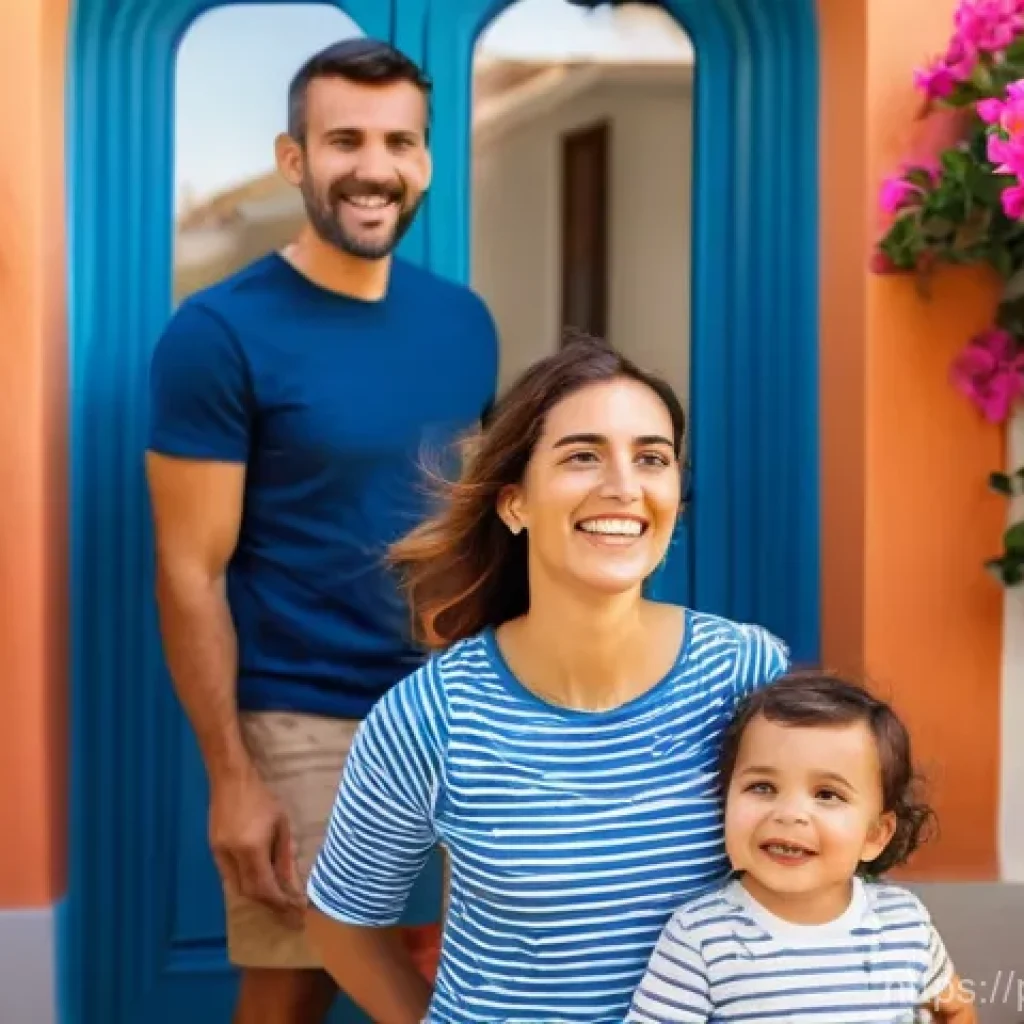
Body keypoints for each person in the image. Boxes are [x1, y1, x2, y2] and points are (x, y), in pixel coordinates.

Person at [145, 37, 498, 1024]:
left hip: (453, 713)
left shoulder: (463, 323)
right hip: (305, 715)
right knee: (297, 981)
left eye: (399, 141)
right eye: (344, 139)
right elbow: (188, 567)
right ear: (294, 157)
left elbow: (462, 524)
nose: (374, 167)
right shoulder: (218, 334)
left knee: (454, 979)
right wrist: (233, 777)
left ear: (426, 160)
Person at [302, 331, 790, 1023]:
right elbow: (343, 918)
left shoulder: (746, 674)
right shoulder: (432, 716)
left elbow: (831, 884)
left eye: (652, 458)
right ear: (514, 502)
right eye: (583, 456)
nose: (623, 486)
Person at [626, 673, 977, 1023]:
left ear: (875, 835)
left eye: (827, 794)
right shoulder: (700, 938)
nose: (789, 814)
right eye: (762, 787)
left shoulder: (904, 922)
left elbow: (956, 1009)